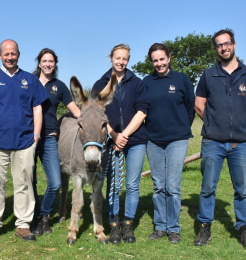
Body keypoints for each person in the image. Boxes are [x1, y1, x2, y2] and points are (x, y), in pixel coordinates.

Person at [0, 39, 48, 242]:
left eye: (13, 54)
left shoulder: (30, 80)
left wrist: (35, 136)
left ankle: (23, 225)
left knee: (24, 184)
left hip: (25, 142)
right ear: (0, 55)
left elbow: (37, 109)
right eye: (6, 54)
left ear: (19, 55)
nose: (10, 57)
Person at [194, 28, 246, 249]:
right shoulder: (208, 75)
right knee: (208, 187)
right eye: (219, 45)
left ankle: (244, 227)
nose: (223, 48)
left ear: (234, 45)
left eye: (227, 43)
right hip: (212, 142)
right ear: (216, 49)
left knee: (243, 189)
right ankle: (204, 227)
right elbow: (199, 104)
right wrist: (213, 125)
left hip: (242, 143)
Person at [92, 43, 149, 244]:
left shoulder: (137, 83)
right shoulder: (101, 84)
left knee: (132, 185)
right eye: (118, 58)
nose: (121, 61)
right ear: (111, 58)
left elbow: (142, 111)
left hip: (135, 141)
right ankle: (114, 224)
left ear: (128, 60)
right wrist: (114, 135)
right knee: (113, 184)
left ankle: (128, 225)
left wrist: (123, 135)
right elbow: (97, 114)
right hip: (110, 141)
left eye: (124, 58)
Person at [143, 43, 195, 244]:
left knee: (173, 185)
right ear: (152, 62)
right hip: (154, 140)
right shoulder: (146, 82)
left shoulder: (181, 79)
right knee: (158, 185)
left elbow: (190, 107)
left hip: (177, 139)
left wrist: (181, 128)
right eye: (155, 60)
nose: (159, 63)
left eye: (162, 59)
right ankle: (160, 226)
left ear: (169, 58)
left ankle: (174, 228)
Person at [31, 48, 80, 236]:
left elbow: (75, 110)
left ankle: (45, 216)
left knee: (55, 182)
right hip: (28, 137)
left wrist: (93, 120)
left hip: (50, 137)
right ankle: (35, 218)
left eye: (51, 61)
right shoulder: (29, 82)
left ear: (55, 64)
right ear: (39, 63)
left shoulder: (59, 86)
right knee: (30, 181)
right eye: (44, 61)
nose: (48, 64)